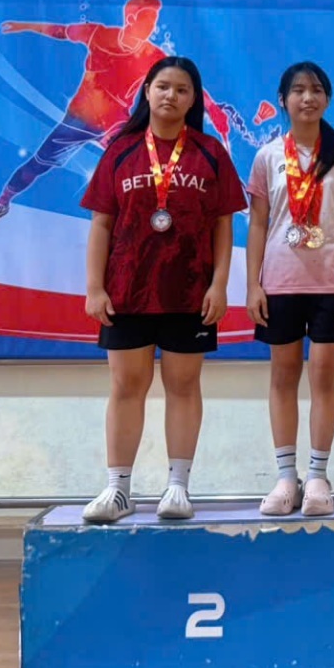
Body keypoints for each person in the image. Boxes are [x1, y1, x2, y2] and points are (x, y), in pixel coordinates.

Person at [80, 57, 246, 523]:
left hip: (189, 292)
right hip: (127, 291)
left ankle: (177, 487)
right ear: (147, 92)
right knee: (126, 387)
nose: (171, 95)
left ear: (193, 100)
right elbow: (101, 223)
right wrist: (95, 287)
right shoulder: (120, 151)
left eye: (182, 89)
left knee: (183, 386)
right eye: (163, 86)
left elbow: (223, 226)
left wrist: (219, 284)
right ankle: (118, 490)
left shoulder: (210, 153)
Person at [0, 0, 235, 231]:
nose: (152, 27)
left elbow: (186, 81)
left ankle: (153, 222)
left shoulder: (154, 55)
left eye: (154, 22)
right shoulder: (98, 34)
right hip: (78, 119)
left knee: (144, 167)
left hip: (115, 124)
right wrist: (26, 25)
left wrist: (213, 109)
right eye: (147, 20)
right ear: (131, 19)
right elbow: (61, 31)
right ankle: (1, 202)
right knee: (38, 164)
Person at [246, 63, 334, 518]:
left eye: (316, 90)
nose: (308, 97)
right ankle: (287, 478)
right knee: (283, 377)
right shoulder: (267, 157)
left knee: (324, 376)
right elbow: (258, 224)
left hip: (331, 282)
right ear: (283, 100)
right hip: (280, 283)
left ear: (327, 99)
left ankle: (318, 476)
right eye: (298, 90)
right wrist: (253, 285)